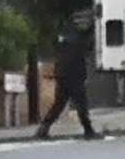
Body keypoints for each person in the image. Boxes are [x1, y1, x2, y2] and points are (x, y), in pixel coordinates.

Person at [36, 10, 99, 140]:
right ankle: (88, 131)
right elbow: (86, 44)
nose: (85, 23)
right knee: (81, 104)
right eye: (82, 21)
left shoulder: (66, 34)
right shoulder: (76, 37)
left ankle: (43, 129)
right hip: (73, 74)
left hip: (62, 73)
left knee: (59, 104)